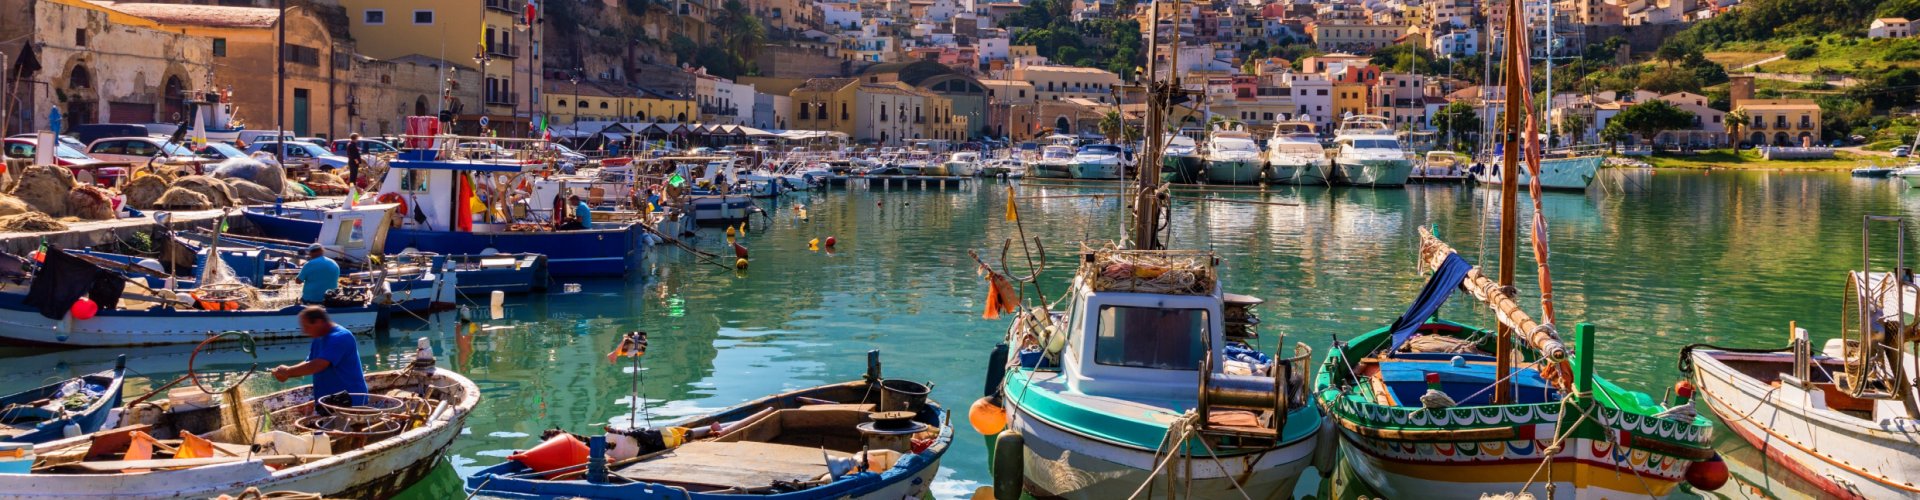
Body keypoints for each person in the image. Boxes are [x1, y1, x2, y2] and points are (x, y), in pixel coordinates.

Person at [273, 307, 368, 409]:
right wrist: (286, 373)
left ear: (318, 322)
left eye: (306, 326)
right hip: (330, 401)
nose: (304, 331)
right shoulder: (319, 338)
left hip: (350, 401)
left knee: (339, 424)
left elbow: (318, 365)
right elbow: (309, 362)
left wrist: (288, 371)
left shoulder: (340, 337)